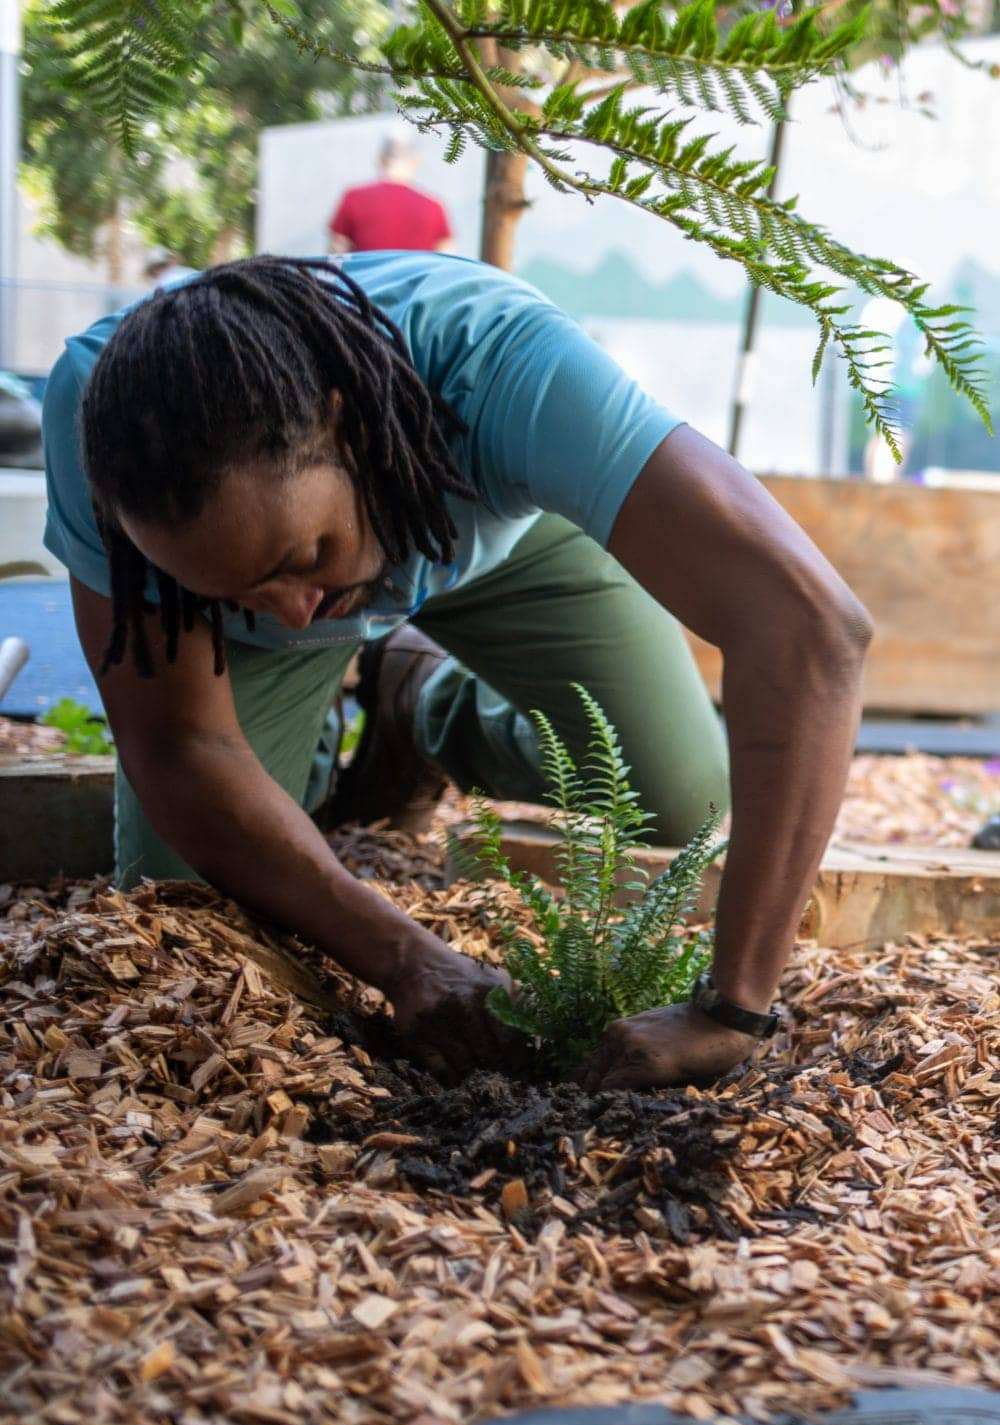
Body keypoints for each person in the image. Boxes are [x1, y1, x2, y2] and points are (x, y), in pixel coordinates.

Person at [42, 253, 872, 1090]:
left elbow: (811, 628)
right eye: (236, 591)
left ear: (347, 426)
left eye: (307, 557)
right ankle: (308, 666)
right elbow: (183, 748)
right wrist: (408, 959)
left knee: (682, 794)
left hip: (492, 543)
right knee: (183, 914)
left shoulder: (503, 363)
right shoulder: (104, 433)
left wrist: (733, 1007)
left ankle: (420, 700)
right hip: (257, 619)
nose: (293, 608)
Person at [328, 134, 453, 255]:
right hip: (416, 277)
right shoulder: (434, 207)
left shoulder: (353, 198)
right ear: (416, 161)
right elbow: (447, 260)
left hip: (362, 277)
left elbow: (336, 253)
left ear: (380, 158)